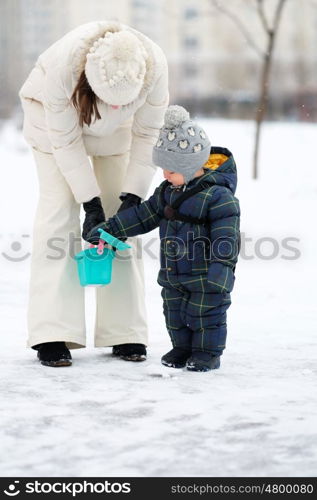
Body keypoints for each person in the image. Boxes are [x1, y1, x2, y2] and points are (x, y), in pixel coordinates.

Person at [19, 21, 169, 367]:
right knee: (59, 213)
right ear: (89, 82)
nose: (112, 108)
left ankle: (124, 330)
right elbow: (67, 143)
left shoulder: (155, 67)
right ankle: (51, 331)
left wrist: (131, 199)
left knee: (121, 224)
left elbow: (147, 137)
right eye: (107, 101)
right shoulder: (64, 67)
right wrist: (90, 203)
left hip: (119, 136)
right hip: (53, 126)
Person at [86, 106, 240, 372]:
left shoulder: (218, 197)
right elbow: (143, 216)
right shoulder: (167, 192)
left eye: (171, 169)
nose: (164, 174)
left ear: (191, 166)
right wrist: (109, 230)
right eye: (163, 168)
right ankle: (181, 347)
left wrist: (221, 273)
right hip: (173, 273)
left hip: (206, 275)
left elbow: (226, 239)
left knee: (206, 316)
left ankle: (206, 353)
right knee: (175, 315)